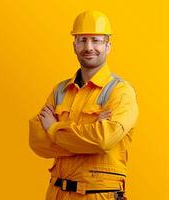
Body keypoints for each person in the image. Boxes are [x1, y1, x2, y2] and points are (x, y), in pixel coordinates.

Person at [28, 10, 138, 200]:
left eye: (96, 40)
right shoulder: (60, 90)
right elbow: (37, 142)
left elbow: (103, 140)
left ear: (108, 46)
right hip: (57, 194)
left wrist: (54, 129)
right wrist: (89, 134)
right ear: (74, 45)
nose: (89, 47)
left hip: (98, 195)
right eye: (82, 40)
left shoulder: (120, 92)